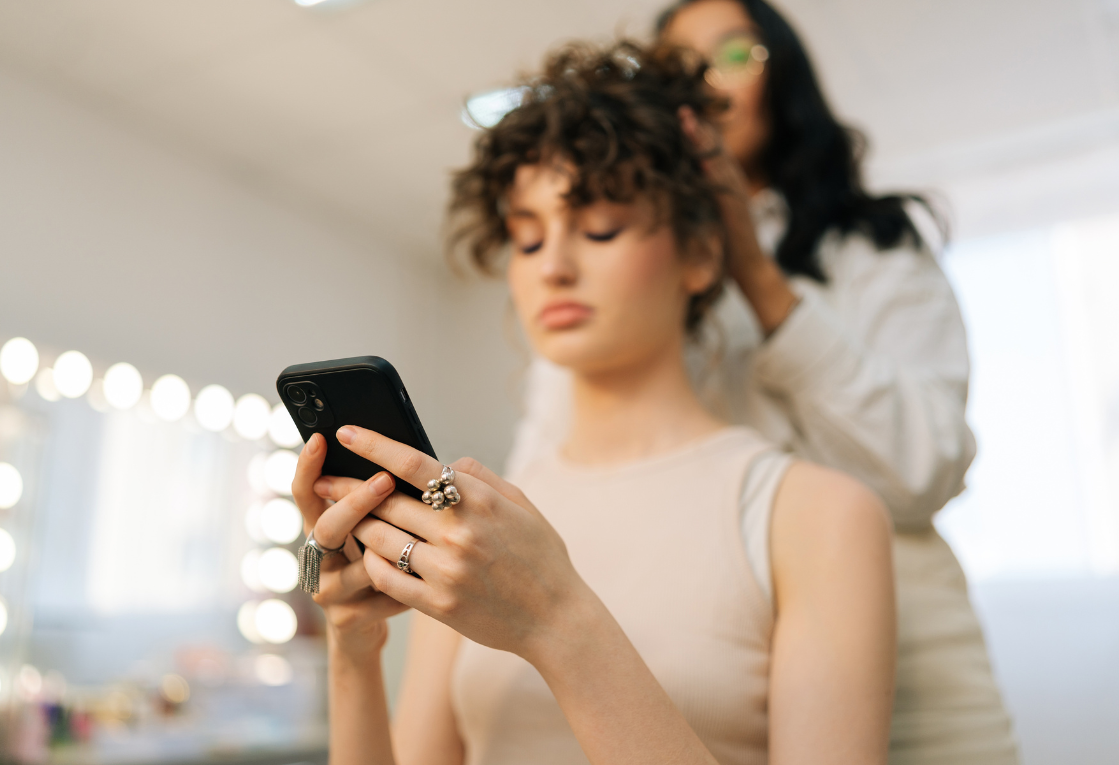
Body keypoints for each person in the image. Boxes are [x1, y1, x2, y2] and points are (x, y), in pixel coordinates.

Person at [292, 41, 896, 765]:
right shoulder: (477, 517)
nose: (553, 265)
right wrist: (353, 646)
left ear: (701, 254)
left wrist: (558, 622)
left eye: (601, 227)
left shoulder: (819, 516)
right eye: (527, 238)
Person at [507, 2, 1019, 763]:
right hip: (710, 666)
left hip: (916, 675)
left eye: (733, 56)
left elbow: (925, 469)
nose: (704, 85)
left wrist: (752, 267)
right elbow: (552, 484)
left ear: (784, 77)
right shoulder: (609, 281)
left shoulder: (873, 246)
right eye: (677, 65)